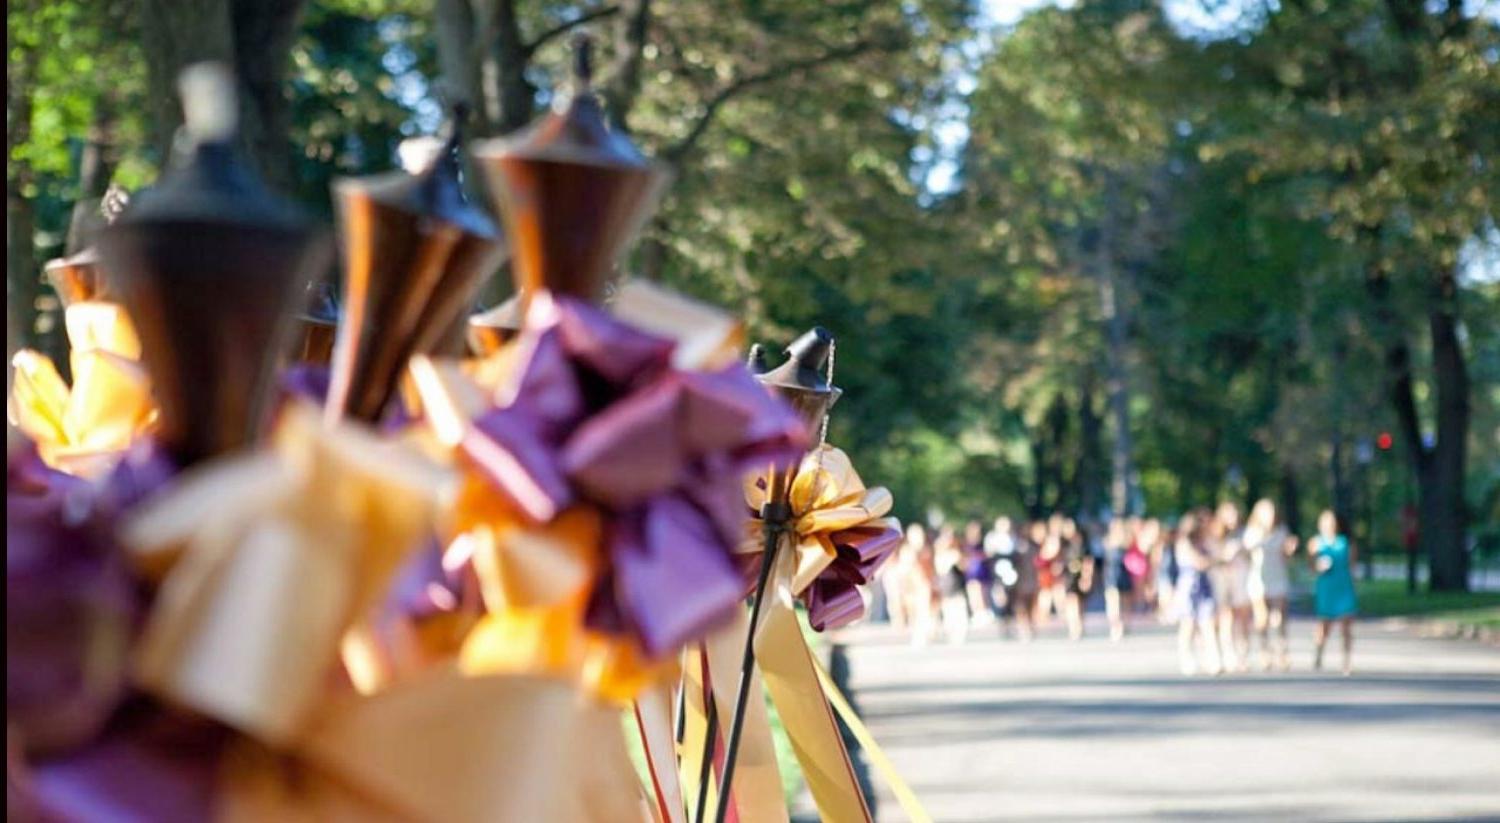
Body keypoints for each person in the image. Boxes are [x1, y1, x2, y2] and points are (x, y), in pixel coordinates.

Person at [1245, 498, 1296, 671]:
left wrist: (1289, 551)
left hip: (1278, 576)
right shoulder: (1252, 532)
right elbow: (1246, 552)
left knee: (1280, 616)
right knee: (1262, 618)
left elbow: (1286, 557)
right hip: (1259, 579)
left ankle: (1282, 651)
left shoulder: (1282, 531)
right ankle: (1264, 651)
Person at [1309, 510, 1358, 675]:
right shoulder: (1315, 543)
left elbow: (1352, 566)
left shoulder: (1345, 543)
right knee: (1324, 627)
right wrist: (1318, 566)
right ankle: (1319, 652)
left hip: (1343, 587)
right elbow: (1311, 566)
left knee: (1346, 628)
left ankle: (1346, 661)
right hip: (1326, 588)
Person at [1174, 511, 1221, 676]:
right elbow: (1200, 563)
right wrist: (1217, 560)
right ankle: (1186, 658)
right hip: (1189, 588)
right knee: (1188, 624)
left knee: (1208, 623)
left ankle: (1212, 658)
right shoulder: (1184, 544)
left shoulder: (1205, 543)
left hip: (1204, 585)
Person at [1210, 502, 1252, 672]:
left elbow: (1251, 556)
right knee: (1226, 618)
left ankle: (1243, 654)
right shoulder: (1215, 535)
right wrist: (1225, 556)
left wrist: (1242, 551)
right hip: (1223, 579)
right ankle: (1228, 654)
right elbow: (1212, 559)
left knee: (1243, 618)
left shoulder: (1243, 534)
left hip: (1241, 578)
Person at [992, 517, 1040, 642]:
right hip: (1003, 577)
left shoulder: (1019, 542)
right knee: (1009, 603)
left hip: (1019, 577)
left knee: (1022, 603)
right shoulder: (994, 541)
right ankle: (1007, 626)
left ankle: (1025, 627)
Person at [933, 525, 969, 645]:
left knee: (959, 611)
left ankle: (959, 634)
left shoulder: (957, 552)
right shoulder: (940, 554)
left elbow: (964, 568)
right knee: (949, 612)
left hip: (957, 586)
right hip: (946, 587)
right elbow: (940, 570)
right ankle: (951, 633)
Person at [1059, 518, 1094, 641]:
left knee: (1080, 603)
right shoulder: (1063, 544)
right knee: (1071, 601)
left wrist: (1086, 577)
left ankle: (1079, 625)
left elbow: (1088, 562)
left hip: (1079, 576)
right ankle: (1073, 627)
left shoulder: (1083, 544)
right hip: (1068, 577)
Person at [1102, 518, 1133, 642]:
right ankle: (1115, 626)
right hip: (1111, 575)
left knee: (1125, 603)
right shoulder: (1107, 541)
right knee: (1113, 604)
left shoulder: (1127, 541)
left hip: (1124, 574)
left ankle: (1123, 625)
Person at [961, 520, 998, 626]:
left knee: (983, 593)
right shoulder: (965, 545)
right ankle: (977, 613)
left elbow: (989, 556)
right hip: (972, 574)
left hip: (983, 573)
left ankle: (984, 612)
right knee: (974, 593)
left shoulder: (983, 544)